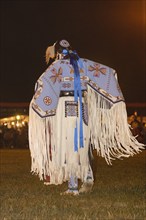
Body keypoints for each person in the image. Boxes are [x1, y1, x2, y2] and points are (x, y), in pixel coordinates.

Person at [29, 39, 144, 195]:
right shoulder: (84, 64)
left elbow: (42, 84)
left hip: (66, 106)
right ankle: (88, 177)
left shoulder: (57, 66)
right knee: (82, 142)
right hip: (82, 106)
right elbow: (109, 73)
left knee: (68, 143)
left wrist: (39, 104)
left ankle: (73, 186)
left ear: (57, 53)